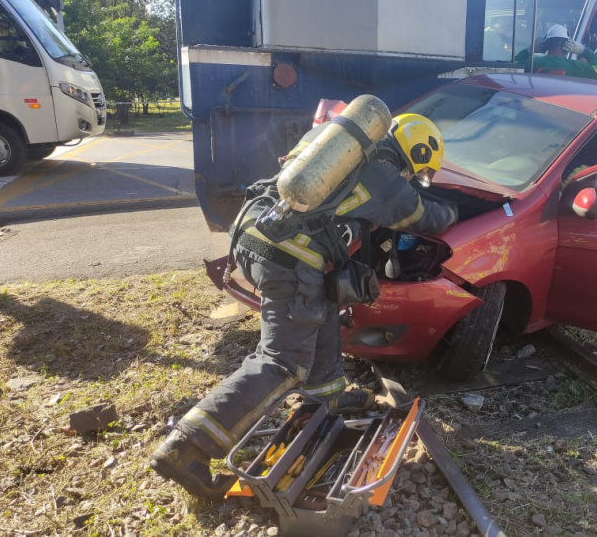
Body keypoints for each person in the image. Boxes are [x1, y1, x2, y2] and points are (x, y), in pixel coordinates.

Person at [150, 113, 458, 500]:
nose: (414, 180)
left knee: (323, 305)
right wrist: (458, 209)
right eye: (419, 173)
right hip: (289, 259)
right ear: (414, 156)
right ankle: (186, 448)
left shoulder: (333, 142)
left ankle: (328, 396)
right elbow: (426, 217)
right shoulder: (387, 178)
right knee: (281, 361)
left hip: (252, 232)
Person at [517, 24, 597, 82]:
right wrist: (584, 51)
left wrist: (530, 50)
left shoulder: (533, 63)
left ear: (546, 44)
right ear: (566, 45)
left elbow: (513, 65)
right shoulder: (573, 66)